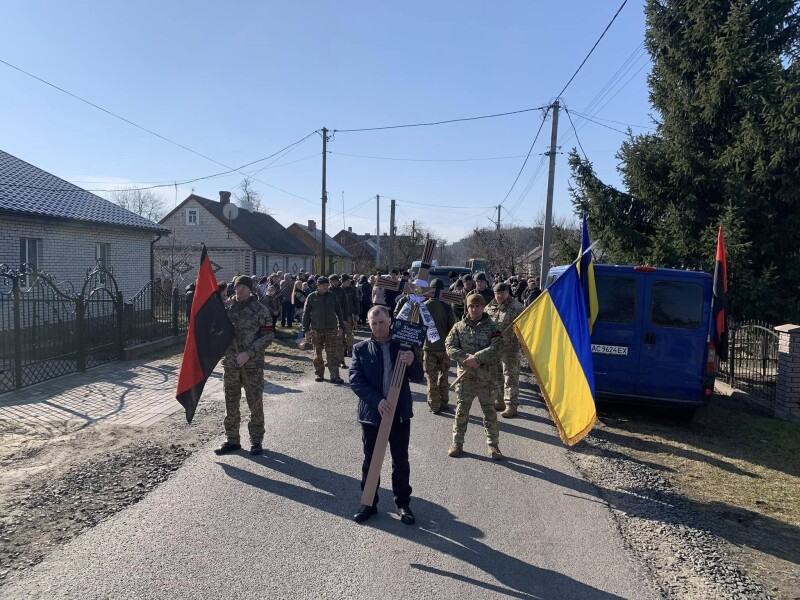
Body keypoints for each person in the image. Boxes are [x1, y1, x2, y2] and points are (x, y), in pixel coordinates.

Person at [349, 305, 424, 525]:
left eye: (382, 322)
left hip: (399, 413)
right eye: (374, 323)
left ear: (390, 321)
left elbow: (418, 376)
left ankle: (402, 504)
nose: (379, 327)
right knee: (371, 459)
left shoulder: (404, 345)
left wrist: (412, 361)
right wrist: (377, 401)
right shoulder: (361, 349)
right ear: (369, 324)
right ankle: (368, 503)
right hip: (372, 414)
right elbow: (355, 380)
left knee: (400, 460)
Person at [214, 275, 274, 457]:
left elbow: (268, 335)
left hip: (252, 364)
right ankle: (232, 440)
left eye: (243, 287)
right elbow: (215, 330)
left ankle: (256, 440)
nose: (239, 289)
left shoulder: (260, 309)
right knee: (230, 402)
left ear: (250, 289)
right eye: (237, 286)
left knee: (254, 402)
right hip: (231, 363)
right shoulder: (227, 308)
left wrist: (249, 353)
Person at [445, 293, 505, 460]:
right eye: (471, 306)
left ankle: (493, 445)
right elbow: (449, 346)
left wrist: (478, 358)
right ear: (467, 307)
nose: (474, 309)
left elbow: (498, 347)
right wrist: (465, 358)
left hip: (487, 379)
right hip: (466, 379)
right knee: (461, 412)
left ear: (483, 307)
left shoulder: (493, 327)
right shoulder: (459, 327)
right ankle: (457, 443)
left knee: (489, 412)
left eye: (477, 306)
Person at [485, 282, 525, 418]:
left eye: (502, 293)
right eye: (497, 293)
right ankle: (500, 400)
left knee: (510, 377)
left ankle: (511, 405)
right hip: (495, 348)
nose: (500, 296)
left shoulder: (517, 307)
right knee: (497, 375)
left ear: (508, 293)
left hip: (511, 349)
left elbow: (526, 326)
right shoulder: (490, 307)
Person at [303, 276, 345, 383]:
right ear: (318, 286)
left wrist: (341, 326)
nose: (326, 287)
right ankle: (319, 374)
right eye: (323, 285)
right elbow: (306, 314)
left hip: (331, 329)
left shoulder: (332, 296)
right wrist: (306, 330)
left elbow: (339, 312)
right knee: (317, 353)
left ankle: (335, 375)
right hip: (316, 329)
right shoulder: (311, 297)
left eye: (327, 285)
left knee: (332, 353)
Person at [423, 279, 457, 414]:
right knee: (444, 376)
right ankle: (444, 402)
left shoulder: (423, 307)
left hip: (429, 347)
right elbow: (452, 328)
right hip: (444, 348)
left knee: (431, 378)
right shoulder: (447, 307)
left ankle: (434, 405)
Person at [328, 274, 351, 367]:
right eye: (333, 281)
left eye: (336, 281)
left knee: (340, 340)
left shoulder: (342, 291)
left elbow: (346, 305)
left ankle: (341, 361)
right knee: (329, 341)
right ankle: (330, 360)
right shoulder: (327, 290)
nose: (335, 282)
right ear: (330, 282)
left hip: (340, 317)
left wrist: (345, 319)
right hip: (329, 318)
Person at [341, 274, 360, 356]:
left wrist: (357, 313)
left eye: (349, 280)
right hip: (340, 316)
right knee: (341, 334)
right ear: (343, 281)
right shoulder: (339, 290)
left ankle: (349, 350)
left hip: (349, 315)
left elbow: (356, 302)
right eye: (347, 281)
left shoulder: (352, 290)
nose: (349, 282)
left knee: (349, 333)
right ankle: (343, 350)